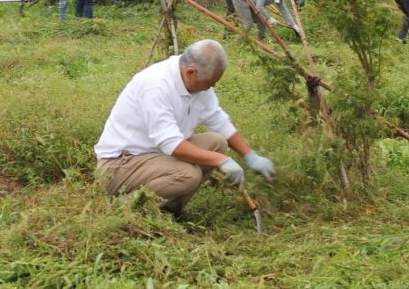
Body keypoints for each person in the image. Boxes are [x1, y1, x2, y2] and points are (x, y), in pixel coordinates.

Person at [94, 39, 275, 218]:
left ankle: (170, 211)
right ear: (190, 72)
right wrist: (221, 160)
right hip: (121, 164)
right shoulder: (156, 85)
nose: (211, 88)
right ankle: (123, 208)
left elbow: (217, 119)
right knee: (188, 175)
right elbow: (172, 144)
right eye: (209, 83)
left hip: (154, 154)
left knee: (217, 143)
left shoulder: (196, 80)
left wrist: (249, 155)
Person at [232, 0, 297, 41]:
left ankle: (261, 40)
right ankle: (237, 42)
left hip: (251, 1)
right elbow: (259, 6)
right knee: (248, 24)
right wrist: (269, 18)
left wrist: (293, 25)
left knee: (261, 20)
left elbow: (283, 9)